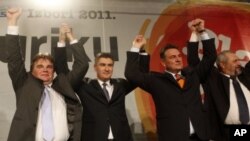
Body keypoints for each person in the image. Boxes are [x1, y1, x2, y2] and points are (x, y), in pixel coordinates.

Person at [125, 19, 217, 141]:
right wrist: (136, 47)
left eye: (179, 56)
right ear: (163, 63)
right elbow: (131, 74)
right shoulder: (155, 80)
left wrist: (201, 32)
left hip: (200, 136)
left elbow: (210, 57)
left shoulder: (192, 75)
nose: (178, 59)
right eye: (173, 57)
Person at [6, 8, 88, 141]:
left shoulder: (63, 85)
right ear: (31, 70)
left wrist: (69, 38)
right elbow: (14, 58)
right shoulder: (24, 83)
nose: (45, 69)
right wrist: (12, 22)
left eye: (49, 67)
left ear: (53, 71)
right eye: (40, 66)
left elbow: (82, 64)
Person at [54, 34, 150, 141]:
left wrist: (140, 50)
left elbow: (141, 76)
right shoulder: (85, 86)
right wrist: (62, 41)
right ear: (95, 67)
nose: (107, 68)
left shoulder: (120, 85)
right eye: (102, 65)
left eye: (110, 65)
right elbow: (63, 73)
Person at [187, 19, 250, 141]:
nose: (239, 63)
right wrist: (198, 33)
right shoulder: (213, 79)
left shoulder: (245, 76)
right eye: (235, 61)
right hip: (223, 133)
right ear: (222, 65)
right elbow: (194, 62)